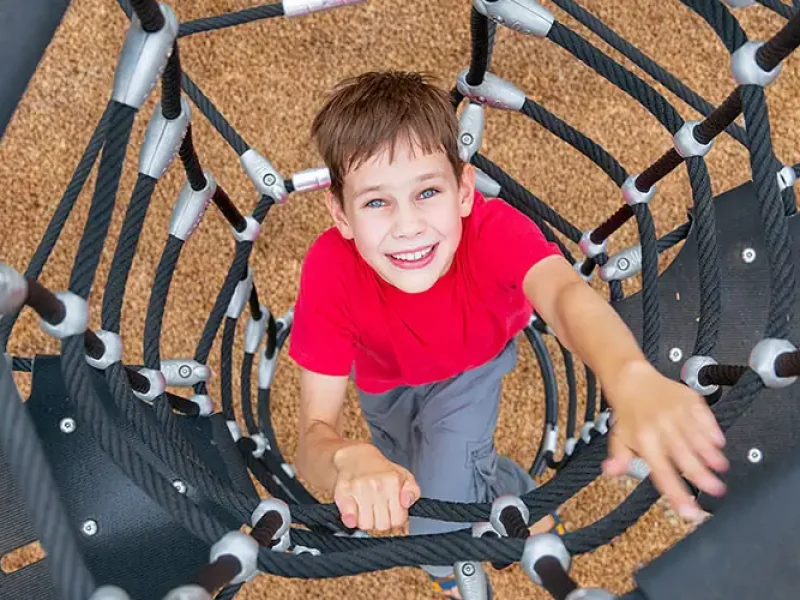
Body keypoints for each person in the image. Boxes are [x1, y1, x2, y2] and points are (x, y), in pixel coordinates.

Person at [288, 70, 728, 597]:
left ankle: (458, 566)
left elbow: (565, 297)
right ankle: (514, 487)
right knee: (395, 468)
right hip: (383, 385)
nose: (407, 226)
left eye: (427, 191)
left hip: (469, 372)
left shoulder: (495, 230)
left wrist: (628, 374)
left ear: (465, 191)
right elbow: (313, 432)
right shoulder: (329, 268)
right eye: (376, 202)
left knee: (435, 521)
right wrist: (345, 456)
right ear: (341, 214)